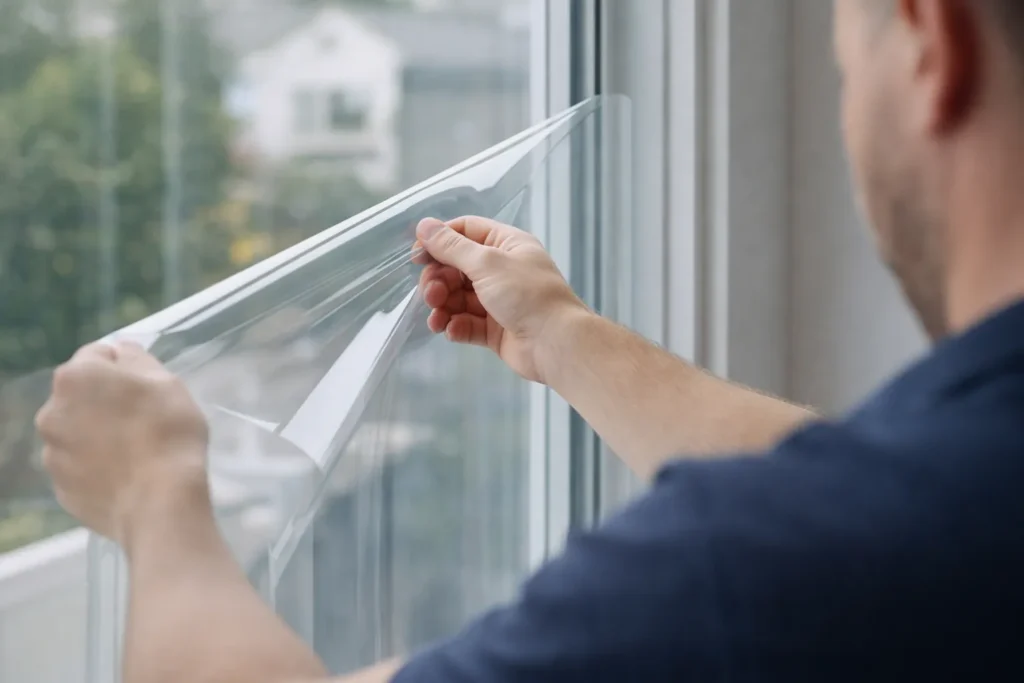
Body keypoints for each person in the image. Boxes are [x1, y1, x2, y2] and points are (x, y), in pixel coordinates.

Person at [34, 0, 1024, 680]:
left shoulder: (748, 577)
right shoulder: (958, 501)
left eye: (845, 67)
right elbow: (868, 495)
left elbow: (828, 540)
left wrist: (153, 494)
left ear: (929, 39)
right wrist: (561, 333)